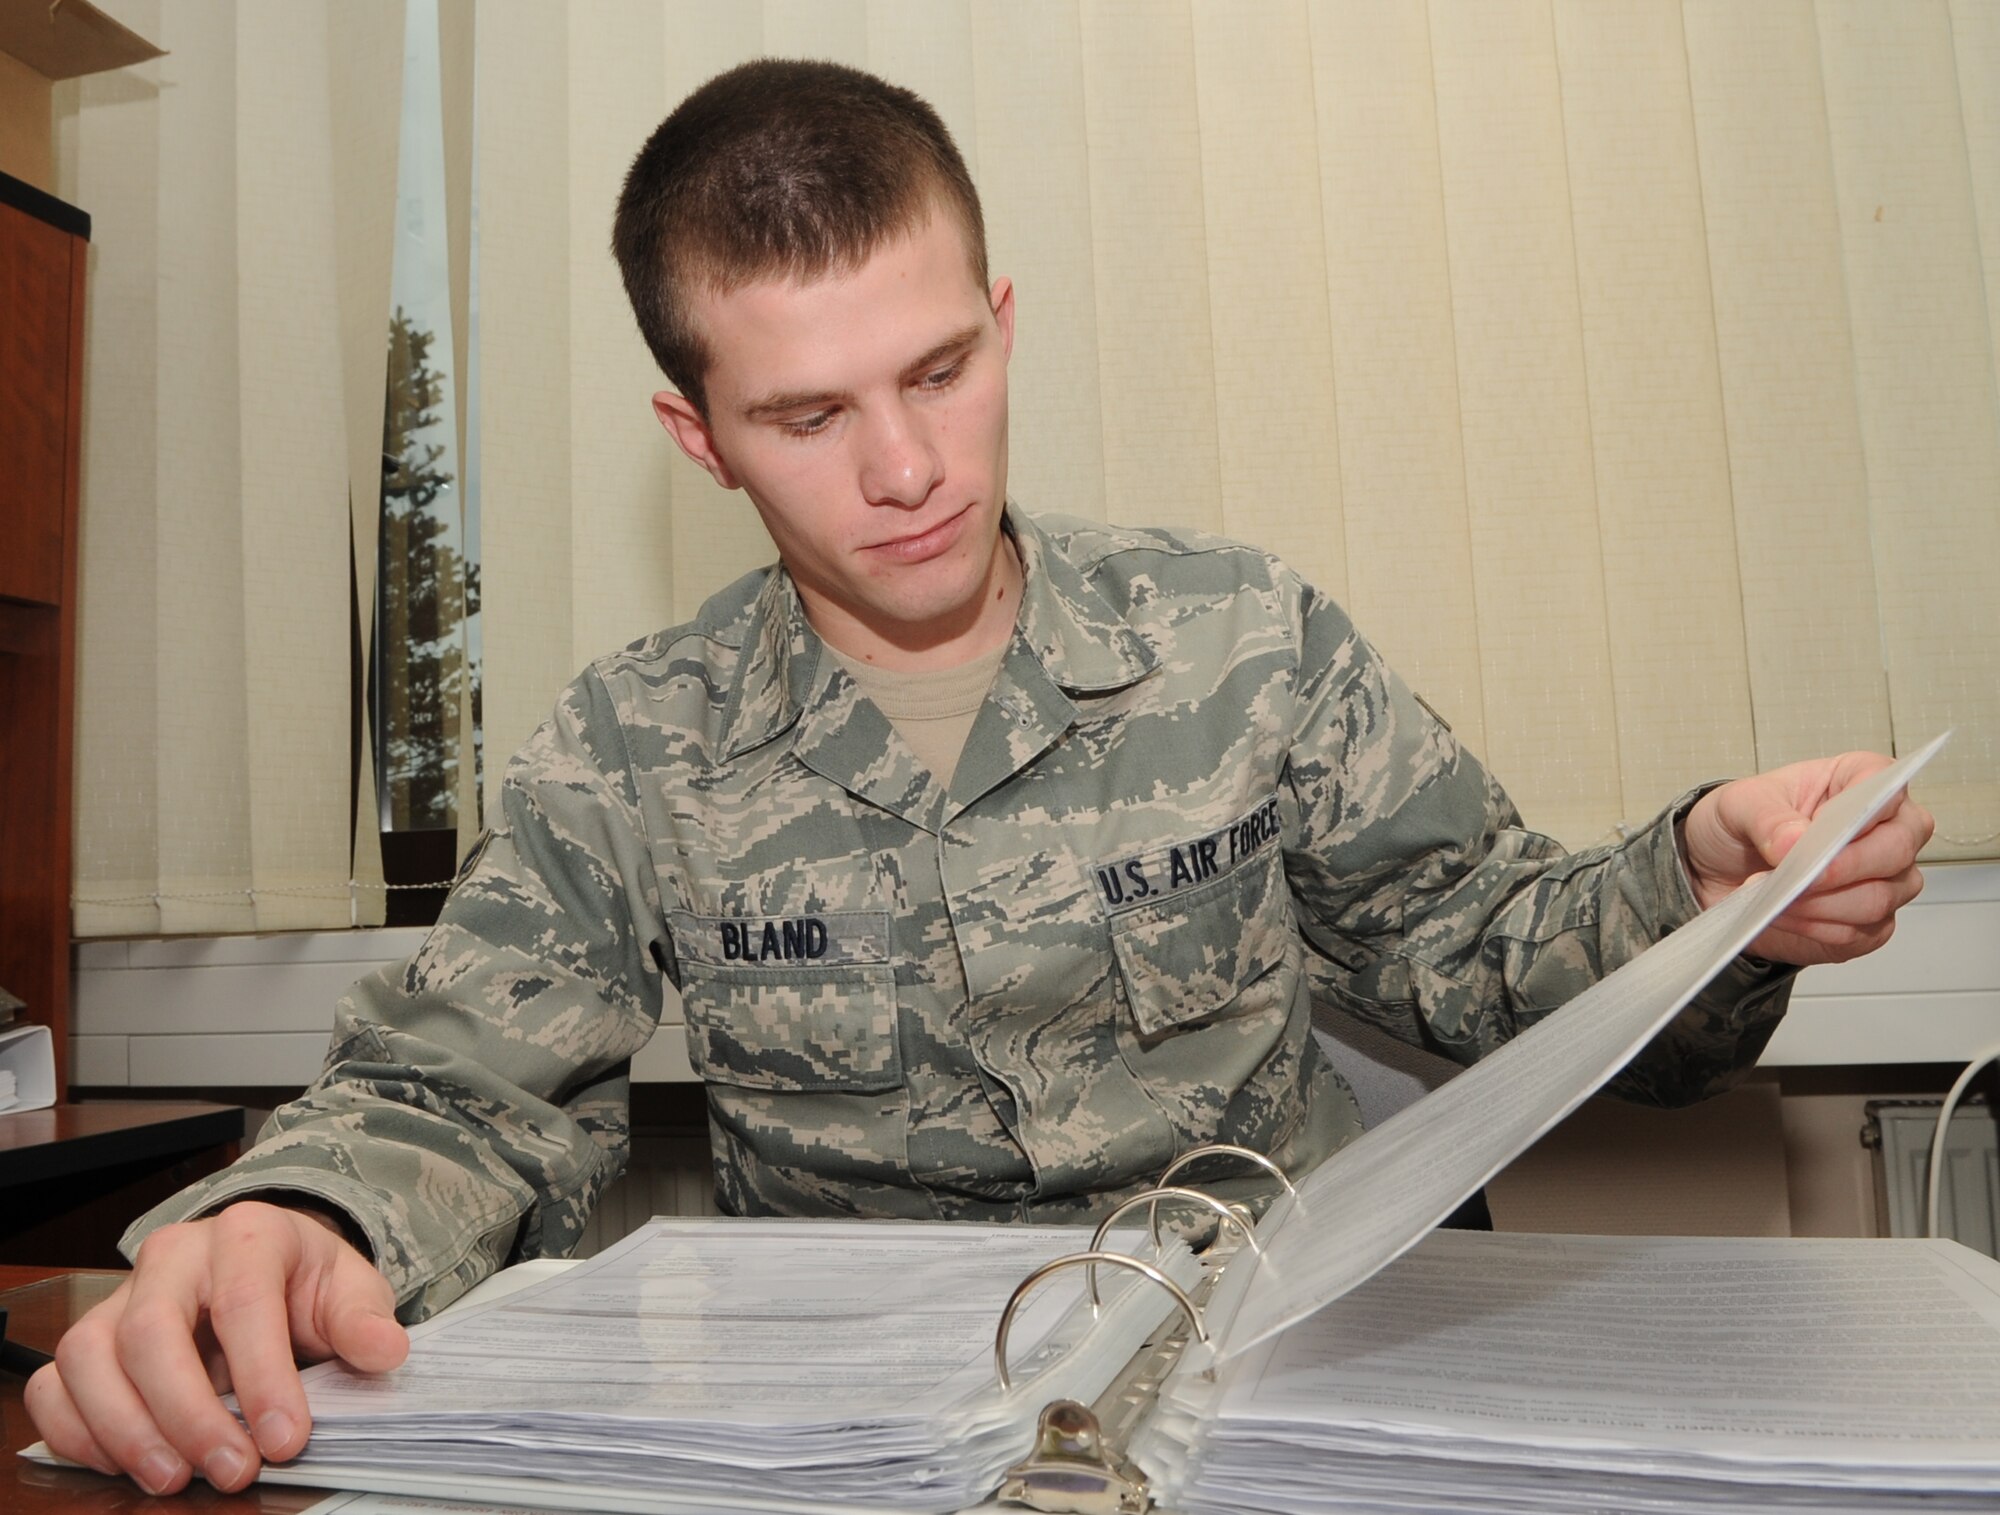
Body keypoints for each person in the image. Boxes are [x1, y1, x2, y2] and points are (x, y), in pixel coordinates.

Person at [27, 58, 1932, 1496]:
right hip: (888, 1442)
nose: (908, 467)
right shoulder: (636, 742)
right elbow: (460, 1095)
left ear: (1003, 324)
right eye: (808, 414)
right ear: (700, 441)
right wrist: (308, 1228)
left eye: (941, 371)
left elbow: (1489, 952)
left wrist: (1706, 888)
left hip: (1295, 1382)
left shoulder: (1240, 637)